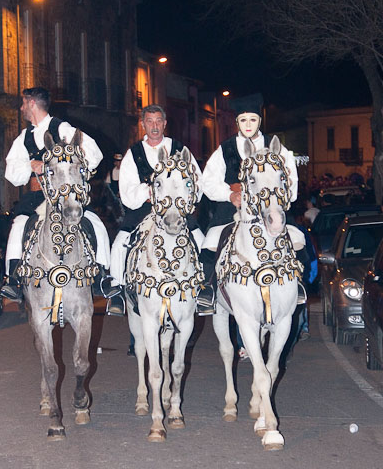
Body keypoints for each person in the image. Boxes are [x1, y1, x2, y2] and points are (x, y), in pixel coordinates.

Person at [197, 93, 306, 315]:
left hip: (272, 208)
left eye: (253, 120)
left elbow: (292, 181)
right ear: (236, 122)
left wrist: (280, 198)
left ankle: (300, 285)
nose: (248, 125)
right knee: (209, 243)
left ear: (259, 121)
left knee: (297, 239)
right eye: (243, 120)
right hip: (231, 211)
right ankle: (208, 289)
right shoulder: (225, 149)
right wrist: (230, 195)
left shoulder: (277, 148)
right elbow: (207, 181)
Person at [0, 86, 112, 301]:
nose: (21, 108)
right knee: (19, 225)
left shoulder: (62, 129)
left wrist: (62, 164)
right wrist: (31, 165)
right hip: (36, 196)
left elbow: (94, 154)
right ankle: (13, 279)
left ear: (32, 103)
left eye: (23, 103)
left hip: (65, 195)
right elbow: (12, 173)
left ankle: (101, 277)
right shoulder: (25, 137)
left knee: (95, 223)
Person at [106, 104, 204, 318]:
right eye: (150, 121)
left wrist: (184, 198)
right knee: (121, 242)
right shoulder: (133, 154)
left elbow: (197, 183)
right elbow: (127, 192)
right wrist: (148, 192)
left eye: (158, 121)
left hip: (176, 211)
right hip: (143, 210)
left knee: (200, 238)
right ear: (143, 124)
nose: (154, 126)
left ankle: (204, 288)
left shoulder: (180, 149)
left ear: (165, 123)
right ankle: (118, 290)